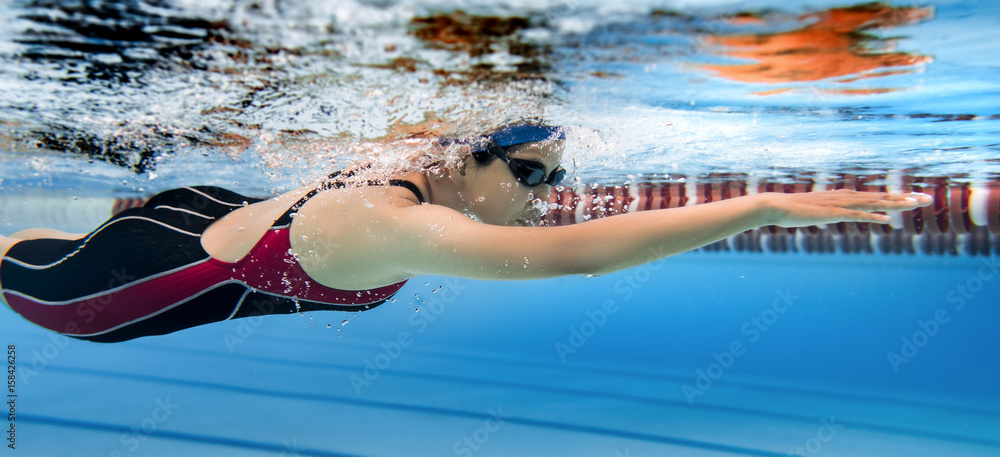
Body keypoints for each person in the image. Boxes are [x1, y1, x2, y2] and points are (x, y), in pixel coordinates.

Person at [0, 123, 933, 342]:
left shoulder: (404, 173)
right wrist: (756, 206)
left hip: (204, 218)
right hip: (106, 291)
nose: (545, 195)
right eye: (529, 174)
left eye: (557, 176)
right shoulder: (383, 218)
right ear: (462, 156)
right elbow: (570, 257)